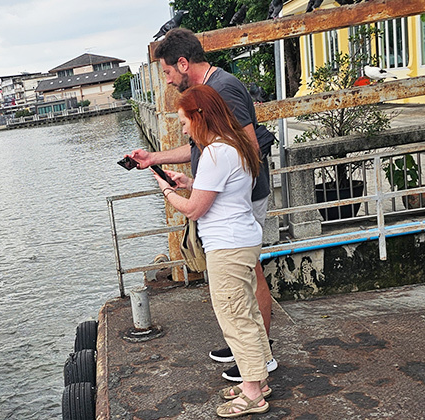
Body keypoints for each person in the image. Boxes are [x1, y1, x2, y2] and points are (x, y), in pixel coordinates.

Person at [128, 27, 277, 382]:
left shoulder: (222, 90)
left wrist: (213, 193)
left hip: (239, 204)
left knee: (246, 279)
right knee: (238, 285)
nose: (166, 81)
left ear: (183, 63)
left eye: (166, 72)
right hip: (225, 199)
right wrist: (155, 159)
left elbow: (247, 153)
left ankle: (260, 356)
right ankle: (249, 348)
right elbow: (204, 149)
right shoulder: (206, 95)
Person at [154, 84, 272, 418]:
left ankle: (252, 394)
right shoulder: (235, 145)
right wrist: (189, 182)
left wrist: (166, 189)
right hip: (243, 239)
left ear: (200, 116)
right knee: (246, 312)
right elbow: (222, 190)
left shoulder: (216, 153)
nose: (183, 127)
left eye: (185, 120)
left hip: (228, 246)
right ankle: (258, 380)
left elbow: (194, 210)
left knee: (235, 317)